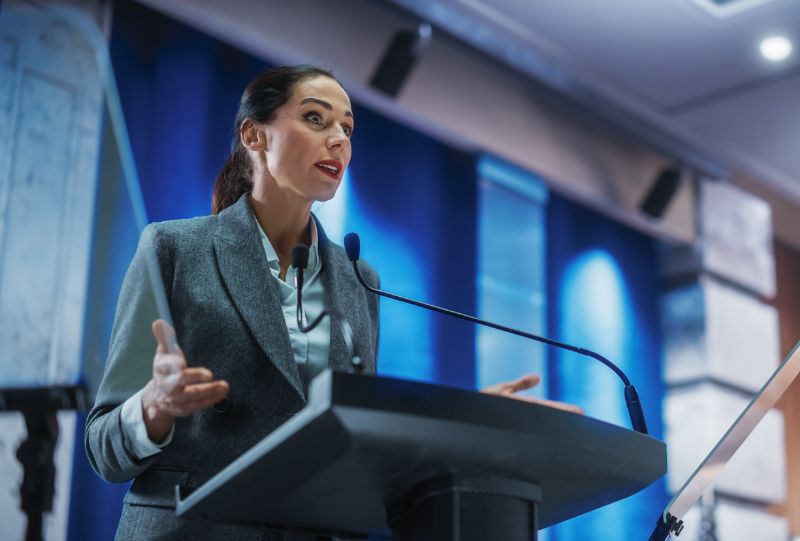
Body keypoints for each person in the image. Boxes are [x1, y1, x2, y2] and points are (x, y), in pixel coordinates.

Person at [86, 65, 572, 541]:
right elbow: (103, 447)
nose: (339, 139)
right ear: (254, 136)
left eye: (347, 127)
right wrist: (155, 405)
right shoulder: (173, 248)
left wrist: (462, 420)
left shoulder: (361, 279)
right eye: (316, 119)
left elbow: (358, 438)